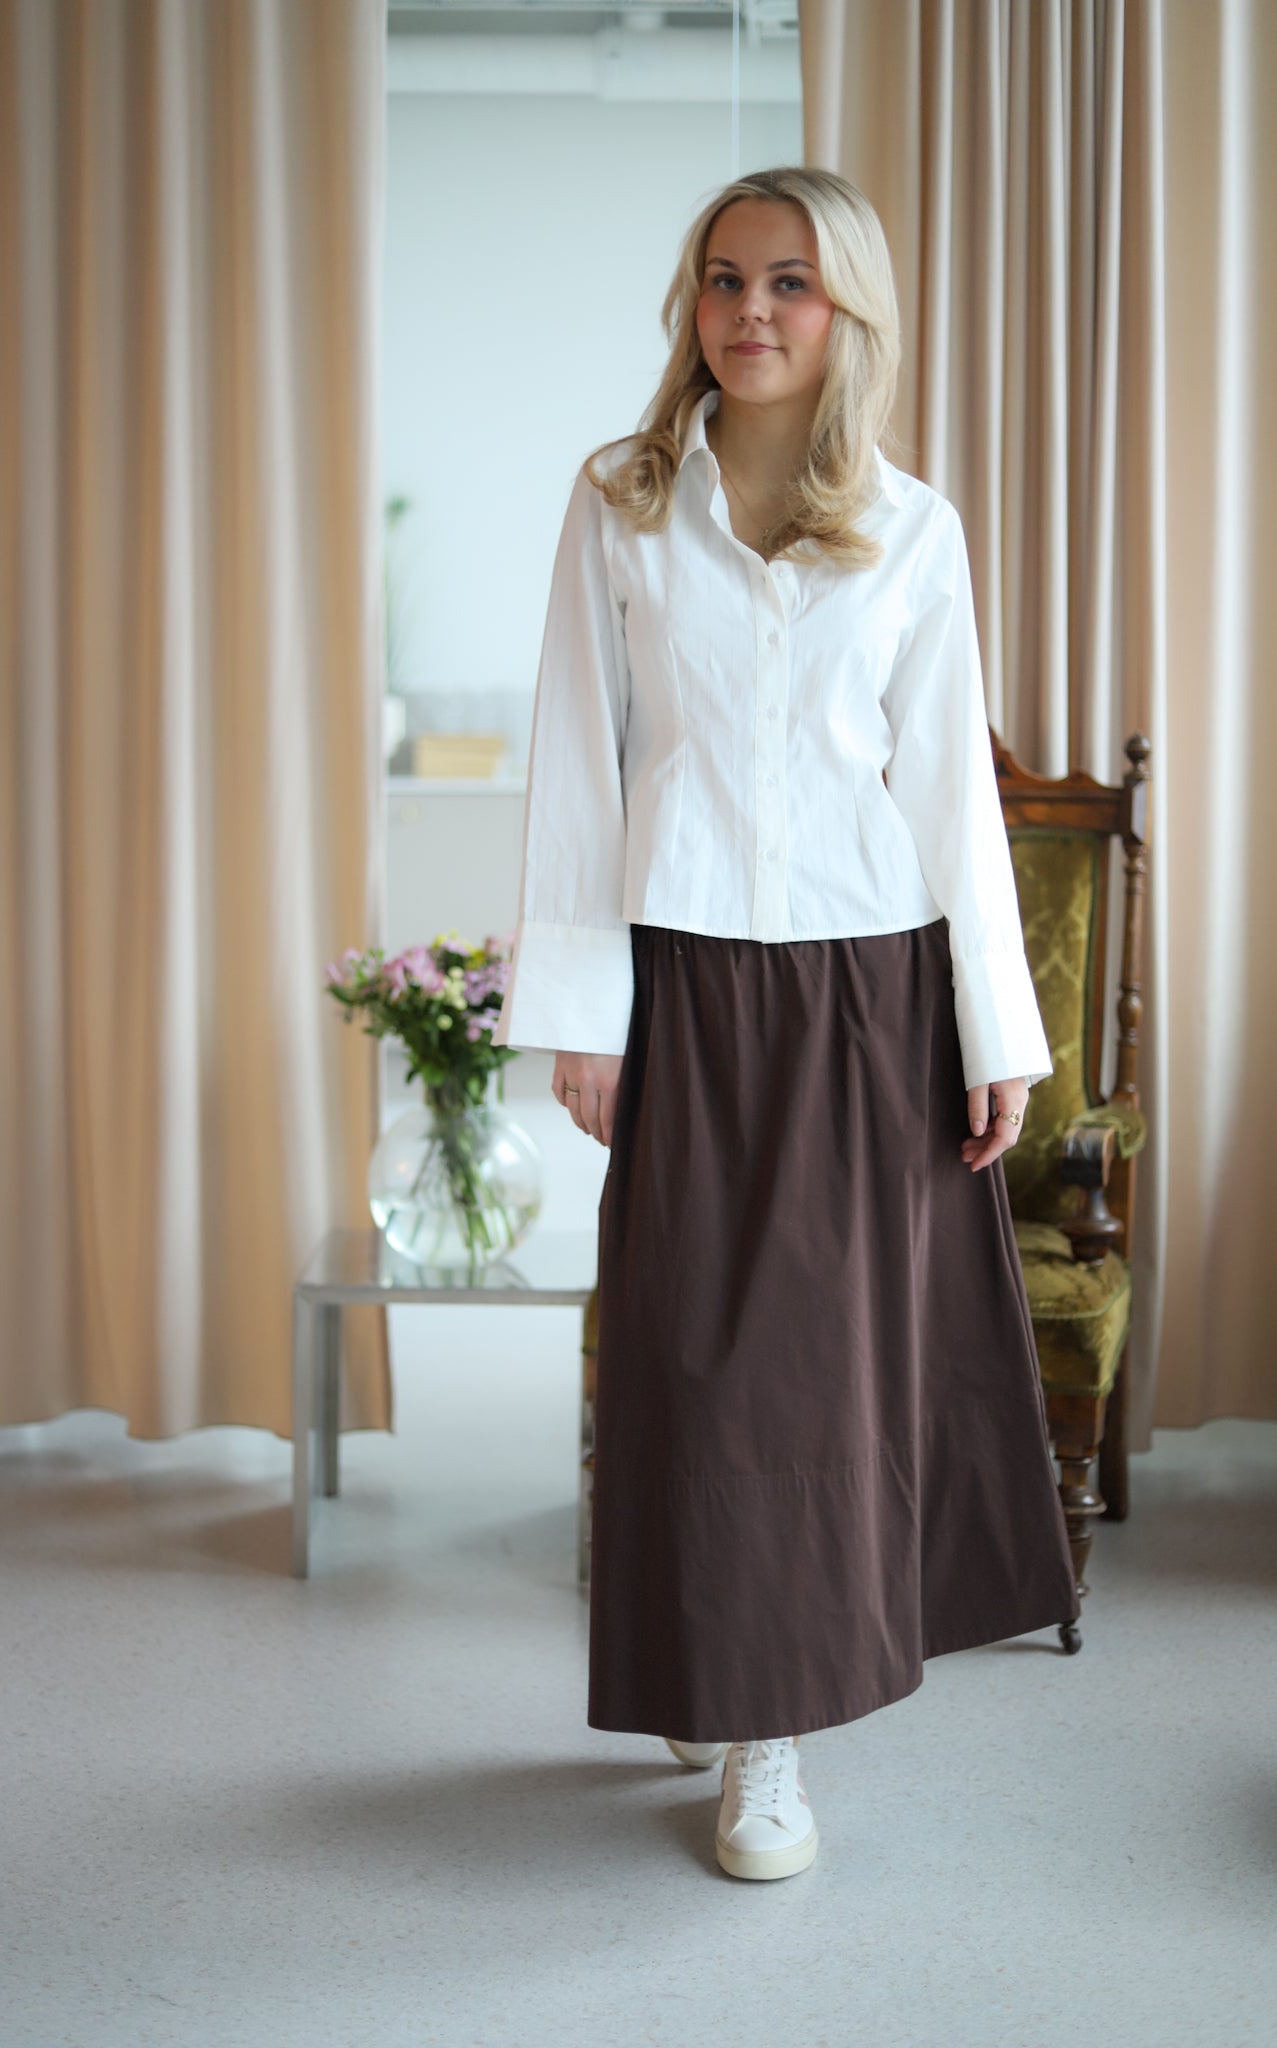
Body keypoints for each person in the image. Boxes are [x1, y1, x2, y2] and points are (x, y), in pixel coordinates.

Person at [490, 164, 1081, 1885]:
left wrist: (993, 1030)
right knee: (688, 1356)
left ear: (847, 314)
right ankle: (712, 1660)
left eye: (790, 283)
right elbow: (578, 770)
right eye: (724, 278)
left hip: (863, 994)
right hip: (682, 984)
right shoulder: (618, 503)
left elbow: (947, 796)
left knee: (812, 1378)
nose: (750, 311)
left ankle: (772, 1735)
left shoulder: (911, 527)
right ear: (692, 303)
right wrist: (583, 1015)